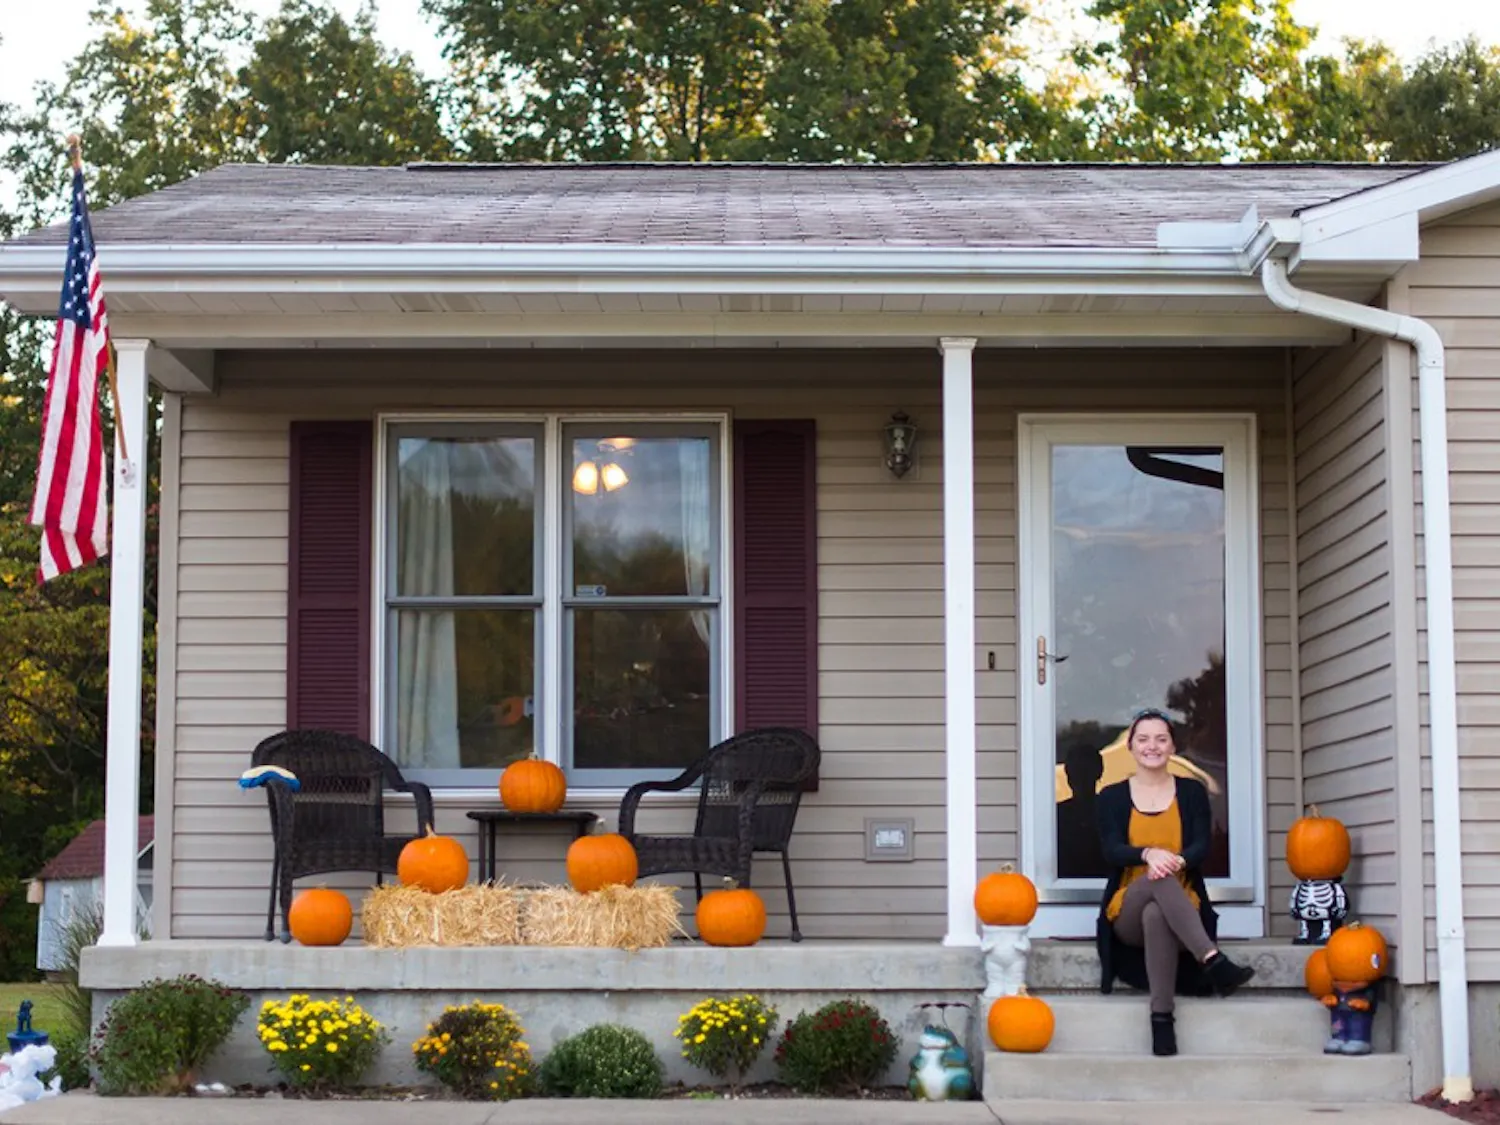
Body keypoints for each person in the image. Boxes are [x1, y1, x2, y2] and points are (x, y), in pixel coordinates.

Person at [1095, 708, 1256, 1057]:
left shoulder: (1191, 792)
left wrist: (1178, 860)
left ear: (1172, 747)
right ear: (1130, 747)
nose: (1152, 746)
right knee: (1156, 886)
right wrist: (1148, 854)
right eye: (1143, 739)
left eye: (1160, 739)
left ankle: (1162, 1020)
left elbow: (1201, 845)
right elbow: (1111, 850)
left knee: (1158, 912)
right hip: (1127, 907)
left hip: (1184, 908)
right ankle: (1212, 959)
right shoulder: (1111, 796)